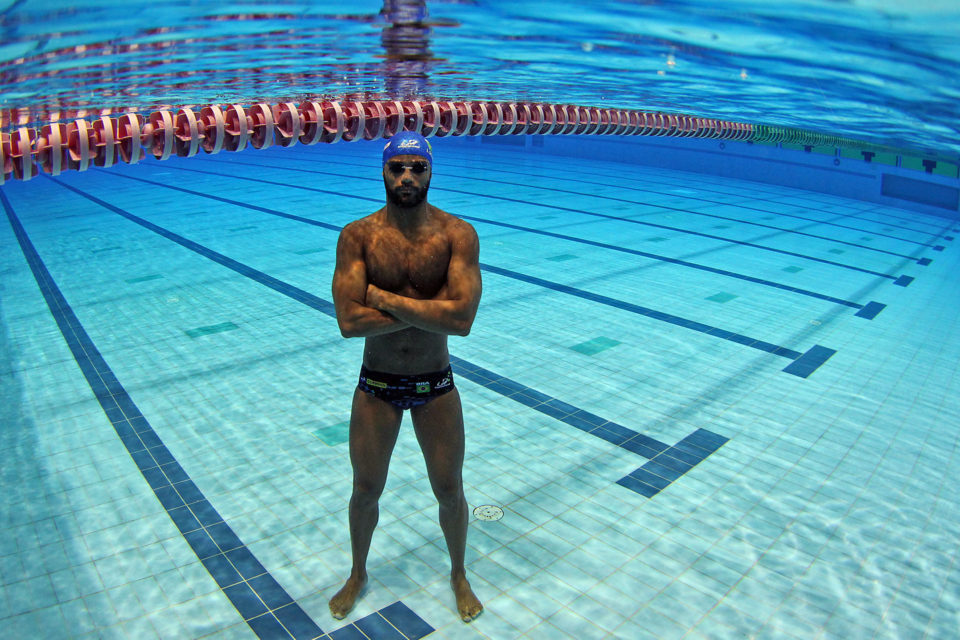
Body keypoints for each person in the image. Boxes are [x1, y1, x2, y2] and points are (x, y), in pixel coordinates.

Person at [329, 131, 484, 622]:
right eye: (398, 168)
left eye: (417, 168)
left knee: (450, 490)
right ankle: (358, 572)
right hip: (377, 387)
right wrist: (430, 309)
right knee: (365, 491)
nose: (407, 177)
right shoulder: (358, 236)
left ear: (431, 171)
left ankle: (458, 573)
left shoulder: (457, 235)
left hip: (435, 385)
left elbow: (461, 323)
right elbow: (349, 324)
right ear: (383, 171)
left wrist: (385, 298)